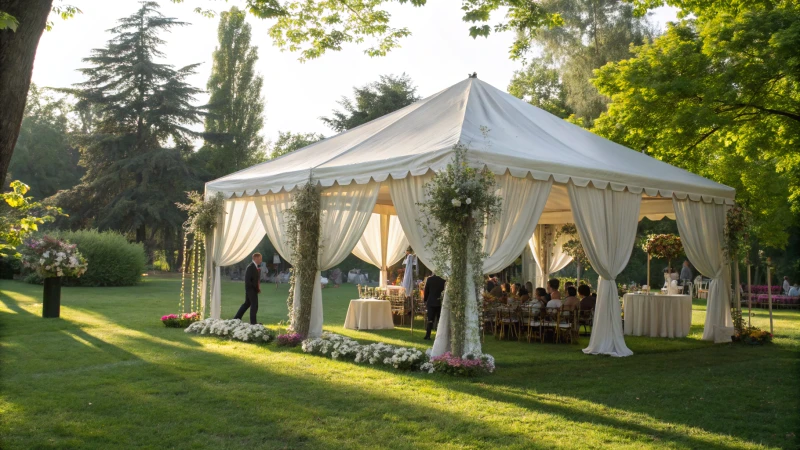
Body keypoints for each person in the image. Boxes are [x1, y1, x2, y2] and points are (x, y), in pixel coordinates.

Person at [234, 253, 262, 325]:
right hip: (251, 289)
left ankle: (236, 318)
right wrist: (255, 288)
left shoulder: (255, 267)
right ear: (255, 258)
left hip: (253, 289)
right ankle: (253, 323)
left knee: (247, 304)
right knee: (254, 305)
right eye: (260, 258)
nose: (261, 260)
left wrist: (257, 288)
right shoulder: (250, 267)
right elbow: (248, 280)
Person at [423, 272, 446, 340]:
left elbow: (426, 291)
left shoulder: (430, 279)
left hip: (431, 301)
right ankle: (440, 336)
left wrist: (425, 299)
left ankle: (428, 335)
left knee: (430, 319)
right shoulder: (443, 280)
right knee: (440, 320)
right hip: (440, 302)